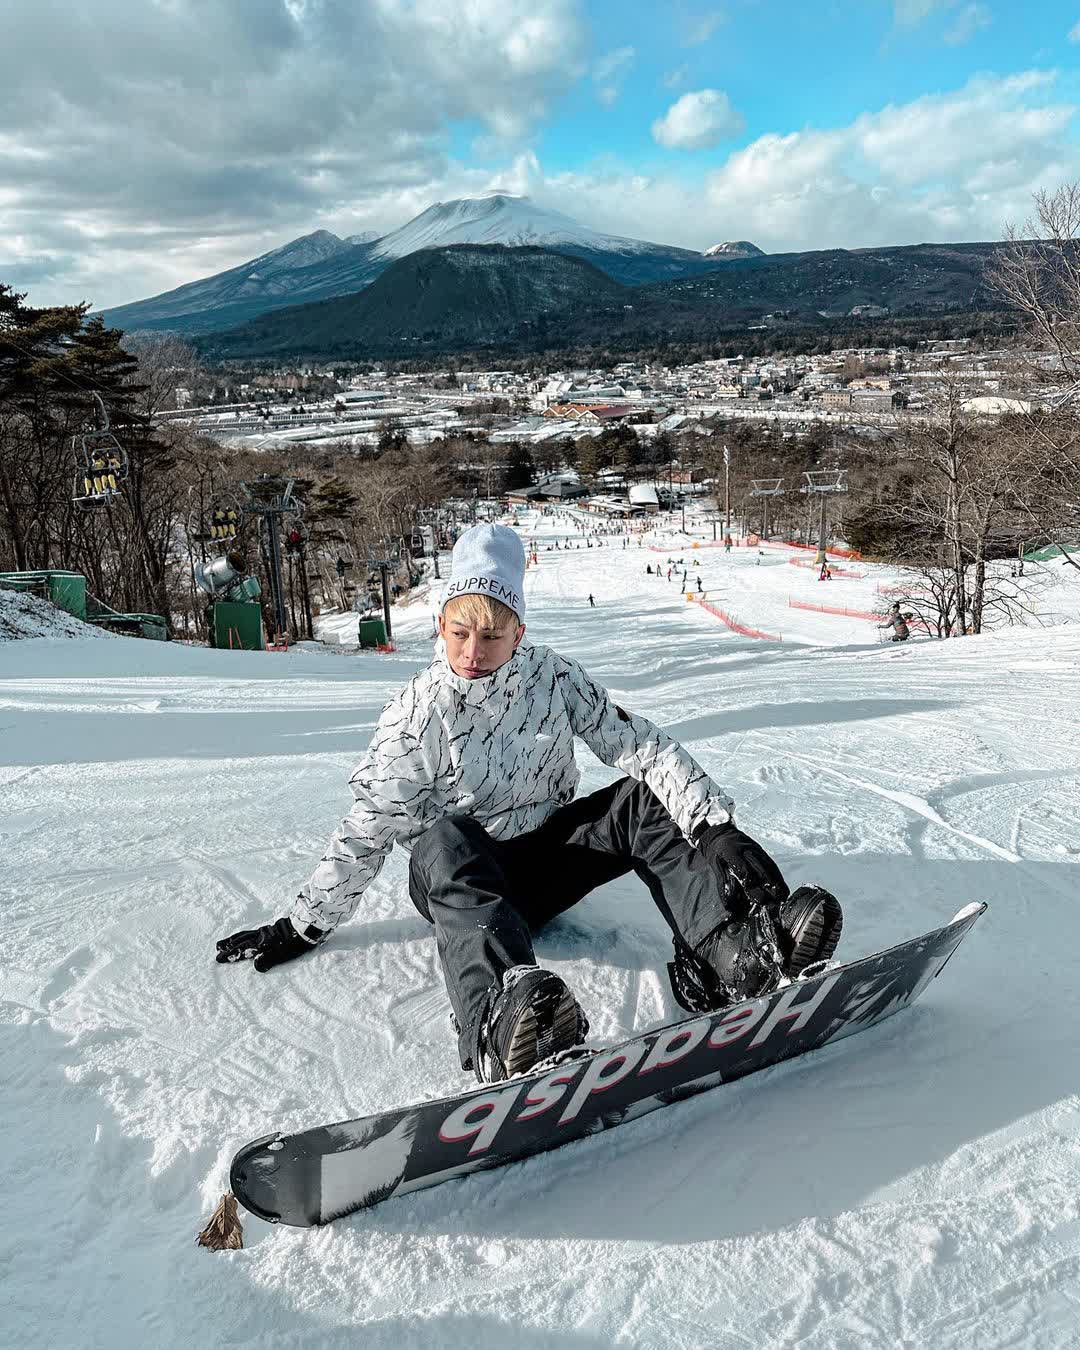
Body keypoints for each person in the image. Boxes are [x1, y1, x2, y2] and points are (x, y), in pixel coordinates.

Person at [216, 525, 842, 1085]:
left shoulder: (553, 679)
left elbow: (641, 746)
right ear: (441, 627)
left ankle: (731, 949)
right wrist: (301, 924)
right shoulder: (417, 714)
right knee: (446, 837)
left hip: (544, 862)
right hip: (460, 877)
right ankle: (501, 1016)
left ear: (519, 632)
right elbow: (367, 828)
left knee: (644, 798)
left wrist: (713, 827)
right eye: (460, 633)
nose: (472, 652)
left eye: (491, 635)